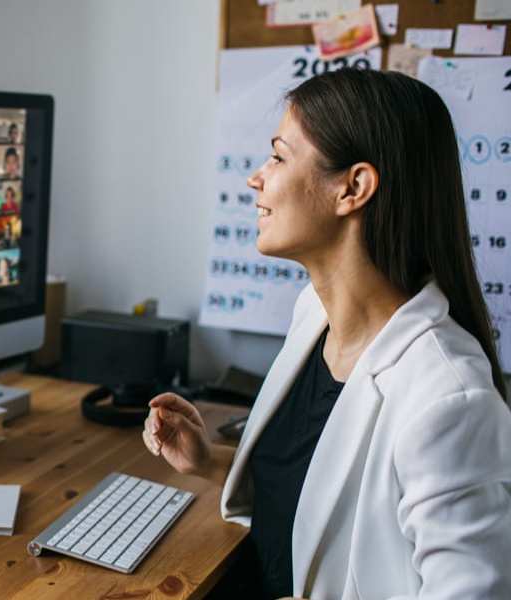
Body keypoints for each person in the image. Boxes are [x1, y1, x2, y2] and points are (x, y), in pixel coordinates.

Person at [142, 69, 511, 600]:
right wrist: (211, 461)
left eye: (278, 156)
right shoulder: (314, 313)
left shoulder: (450, 399)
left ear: (353, 188)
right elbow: (326, 496)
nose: (256, 178)